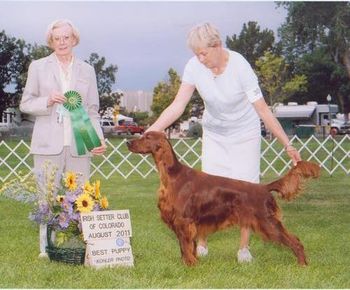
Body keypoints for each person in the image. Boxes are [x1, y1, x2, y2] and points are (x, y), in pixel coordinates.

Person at [146, 23, 301, 263]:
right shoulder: (194, 66)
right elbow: (178, 105)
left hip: (244, 132)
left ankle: (243, 249)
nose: (200, 58)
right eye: (196, 54)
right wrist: (153, 129)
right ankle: (201, 243)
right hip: (215, 133)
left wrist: (286, 143)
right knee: (207, 191)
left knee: (247, 188)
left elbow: (262, 110)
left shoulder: (240, 67)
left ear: (217, 46)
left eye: (203, 53)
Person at [20, 19, 106, 257]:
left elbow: (91, 109)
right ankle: (44, 247)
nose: (61, 42)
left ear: (74, 39)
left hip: (79, 142)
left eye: (65, 37)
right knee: (45, 197)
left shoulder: (87, 70)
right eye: (56, 38)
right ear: (51, 41)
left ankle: (87, 246)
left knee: (82, 195)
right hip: (47, 143)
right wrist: (47, 100)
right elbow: (25, 103)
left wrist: (97, 139)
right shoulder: (37, 67)